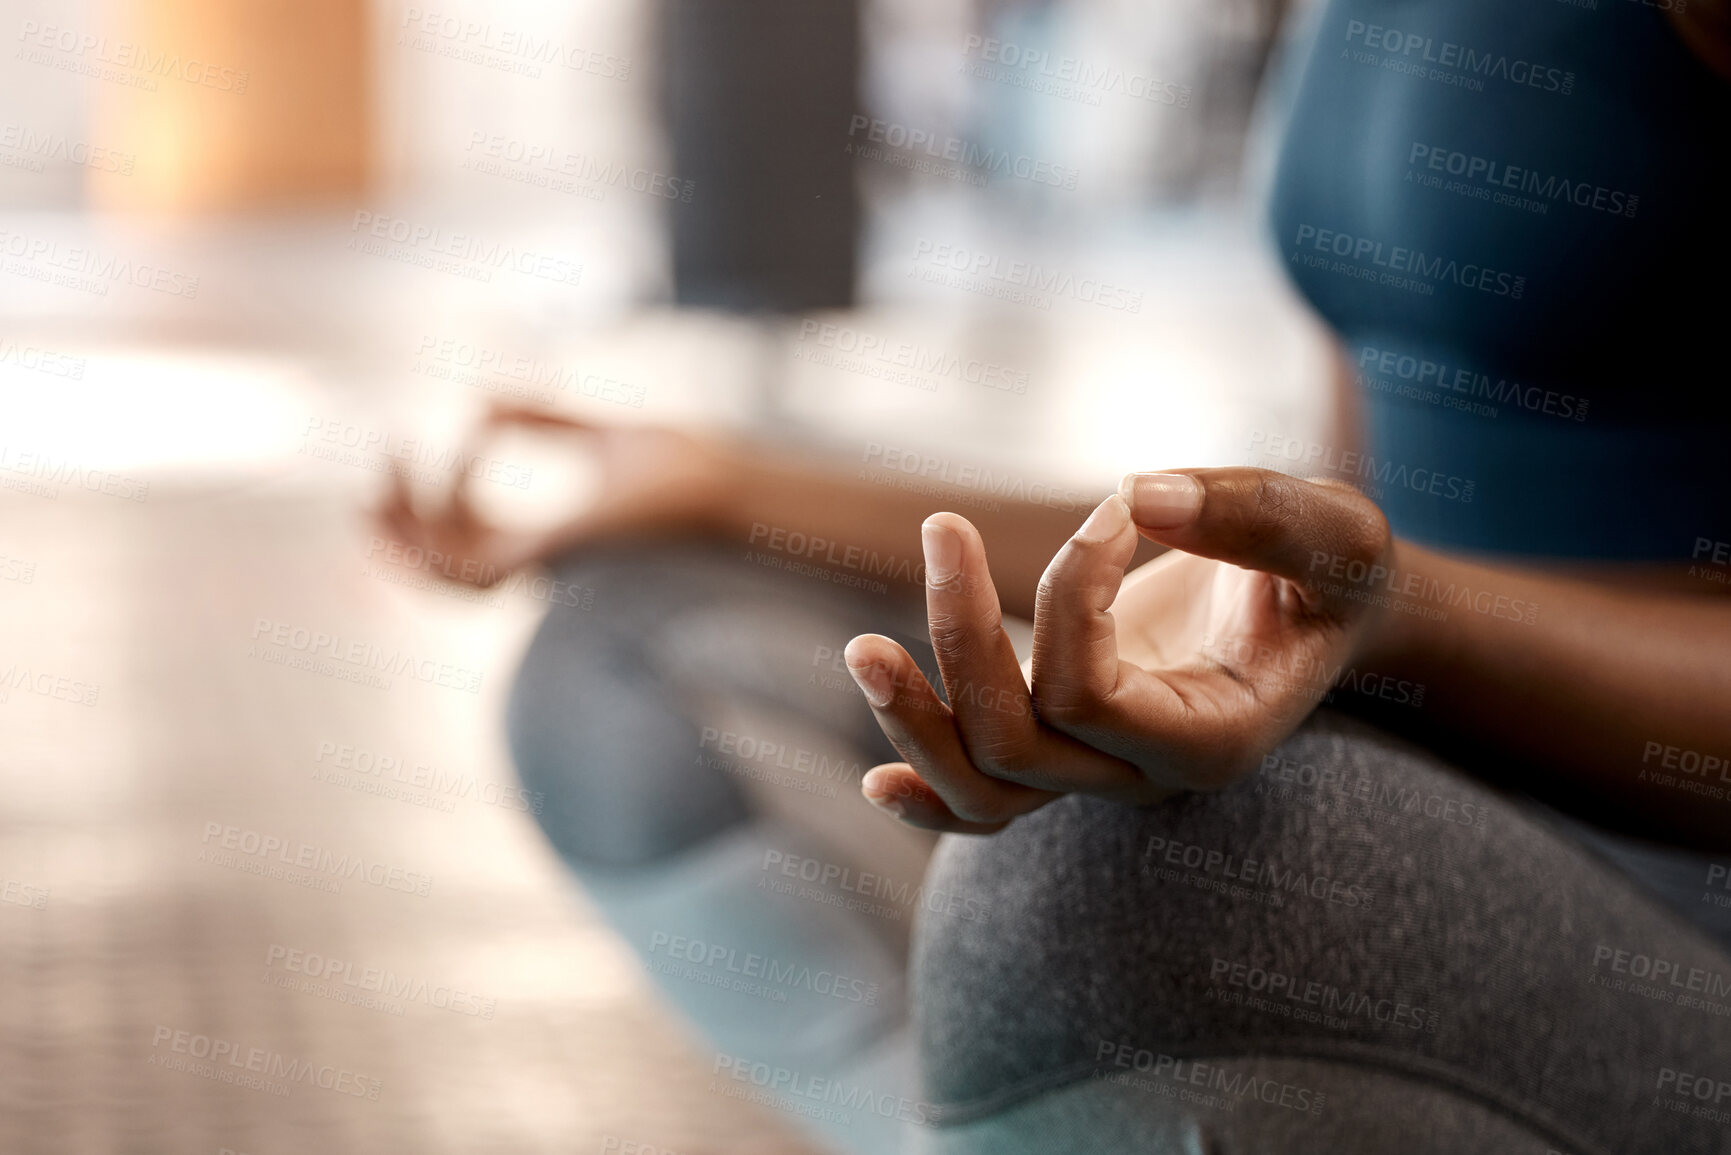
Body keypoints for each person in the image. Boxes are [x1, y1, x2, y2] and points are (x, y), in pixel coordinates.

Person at [377, 0, 1731, 1151]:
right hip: (1446, 754)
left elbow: (1377, 588)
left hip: (1680, 898)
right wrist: (734, 484)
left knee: (1095, 899)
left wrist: (1405, 621)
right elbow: (1321, 531)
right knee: (635, 655)